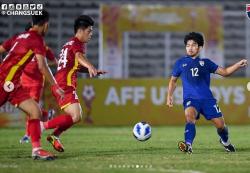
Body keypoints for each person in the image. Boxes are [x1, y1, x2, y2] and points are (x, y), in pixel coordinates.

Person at [166, 32, 247, 153]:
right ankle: (188, 145)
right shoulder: (180, 63)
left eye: (193, 45)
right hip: (190, 99)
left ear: (200, 47)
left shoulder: (206, 63)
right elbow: (173, 81)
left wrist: (237, 65)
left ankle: (225, 141)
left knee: (221, 125)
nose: (190, 47)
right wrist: (169, 96)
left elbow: (225, 72)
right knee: (189, 117)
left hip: (207, 100)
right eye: (188, 45)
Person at [0, 10, 64, 160]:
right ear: (45, 24)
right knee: (36, 111)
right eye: (49, 25)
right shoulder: (37, 39)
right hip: (4, 83)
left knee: (36, 111)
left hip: (14, 85)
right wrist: (55, 86)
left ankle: (37, 150)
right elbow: (43, 66)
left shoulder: (18, 37)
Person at [41, 15, 105, 152]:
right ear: (80, 30)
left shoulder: (68, 44)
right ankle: (42, 126)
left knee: (76, 116)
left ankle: (54, 136)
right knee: (76, 116)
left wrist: (90, 70)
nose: (91, 34)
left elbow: (74, 64)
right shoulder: (77, 44)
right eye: (89, 31)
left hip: (61, 83)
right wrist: (90, 66)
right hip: (65, 84)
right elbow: (79, 57)